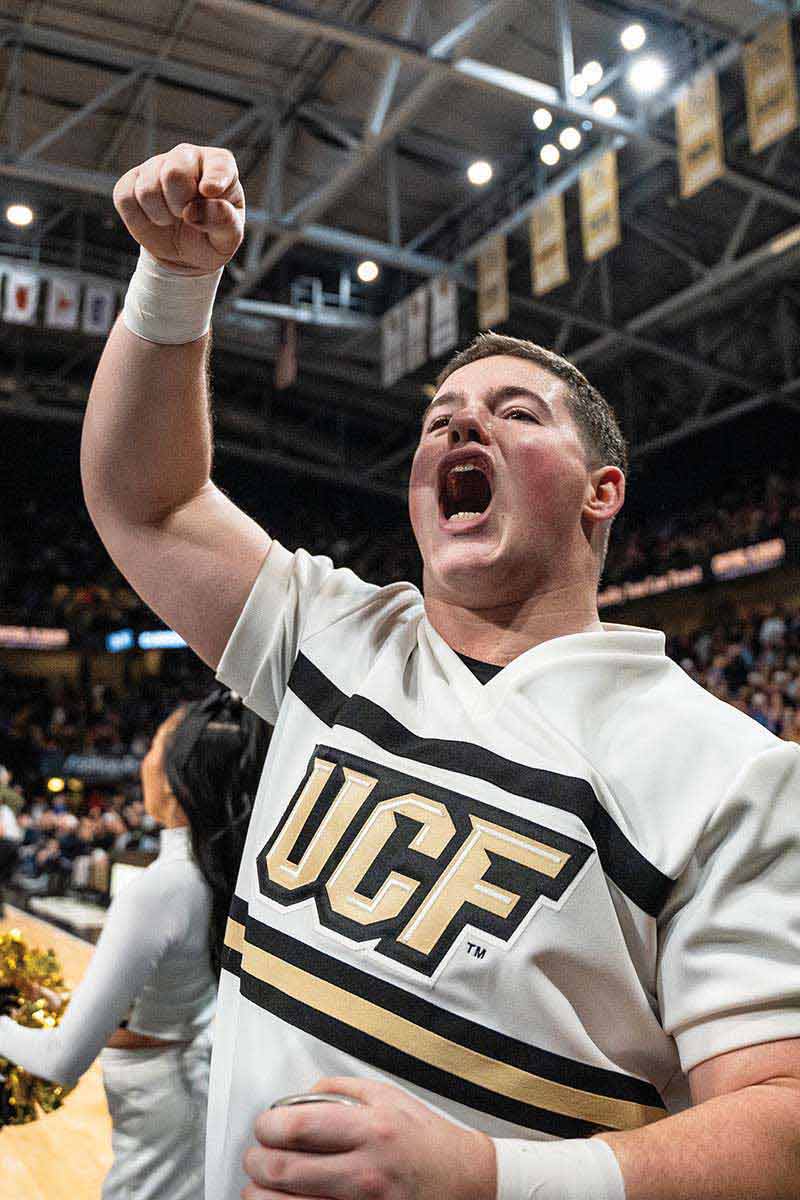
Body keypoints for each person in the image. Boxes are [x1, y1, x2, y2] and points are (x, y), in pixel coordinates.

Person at [80, 143, 800, 1200]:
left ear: (601, 493)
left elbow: (777, 1126)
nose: (462, 420)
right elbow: (149, 502)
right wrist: (176, 277)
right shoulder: (333, 632)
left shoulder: (726, 768)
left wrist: (490, 1177)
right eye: (438, 418)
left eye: (515, 411)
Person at [0, 689, 271, 1199]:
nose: (143, 757)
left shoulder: (160, 888)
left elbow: (61, 1060)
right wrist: (61, 1004)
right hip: (179, 1082)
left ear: (175, 781)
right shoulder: (221, 870)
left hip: (160, 1102)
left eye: (156, 746)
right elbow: (174, 992)